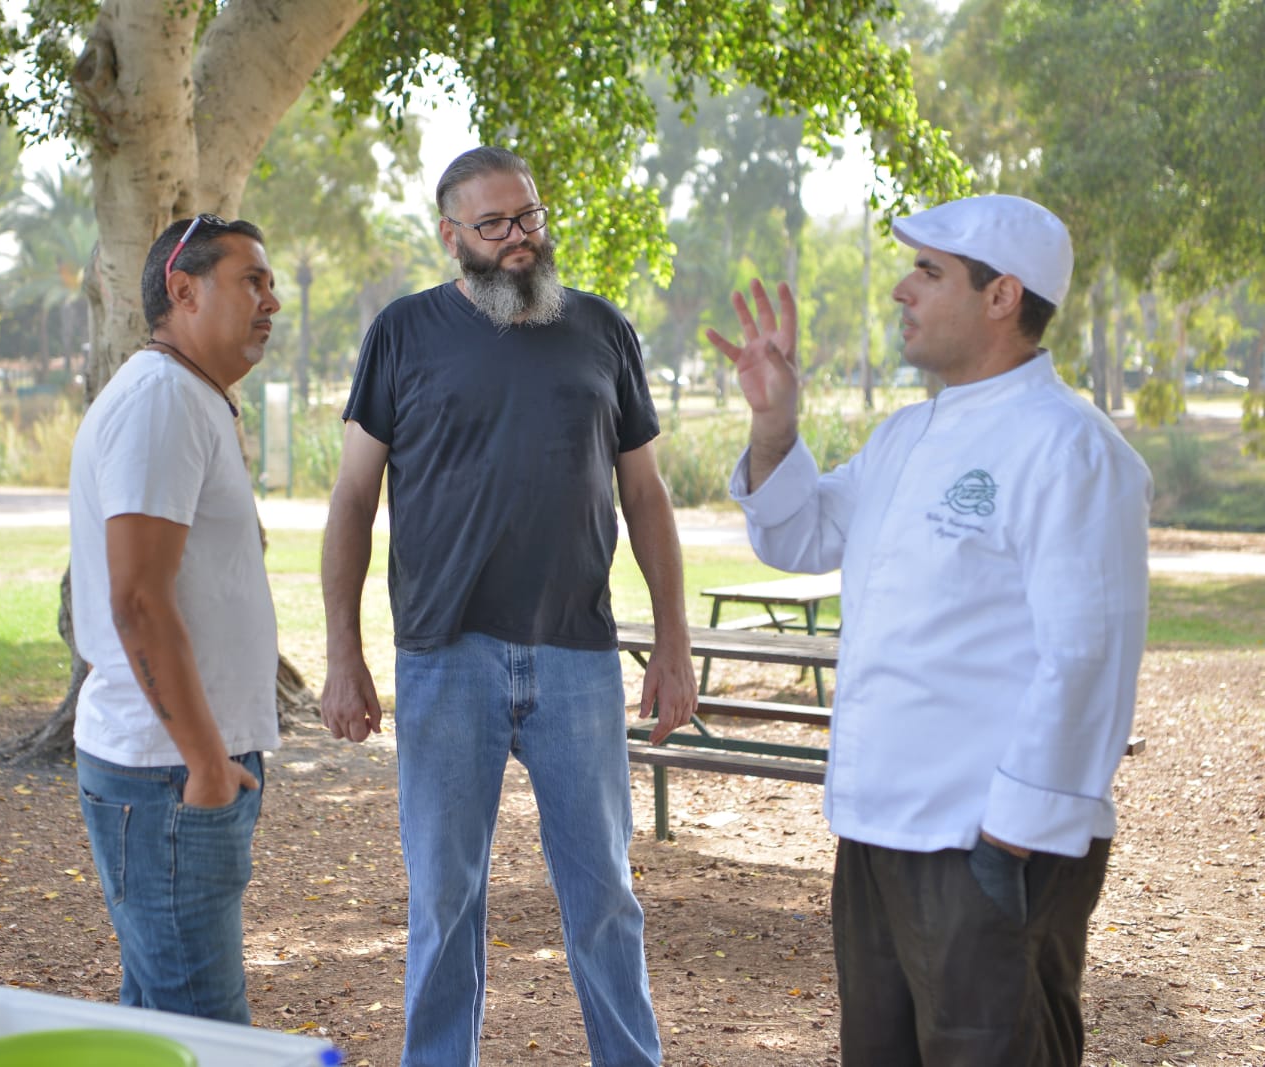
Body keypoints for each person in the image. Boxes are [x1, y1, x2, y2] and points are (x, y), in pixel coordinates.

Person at [707, 194, 1151, 1065]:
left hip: (983, 849)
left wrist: (1008, 845)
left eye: (928, 271)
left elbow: (1086, 658)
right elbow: (802, 533)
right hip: (877, 837)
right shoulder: (907, 435)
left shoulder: (1072, 450)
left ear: (1001, 297)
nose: (902, 290)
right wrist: (774, 422)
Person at [320, 146, 698, 1067]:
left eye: (527, 217)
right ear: (451, 236)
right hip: (445, 656)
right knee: (445, 899)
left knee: (605, 892)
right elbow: (351, 503)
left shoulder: (603, 331)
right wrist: (344, 653)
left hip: (578, 656)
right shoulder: (402, 334)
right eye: (493, 226)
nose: (520, 240)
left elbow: (645, 497)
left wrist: (675, 643)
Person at [67, 213, 282, 1023]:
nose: (272, 299)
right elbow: (138, 600)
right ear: (181, 290)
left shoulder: (190, 398)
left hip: (181, 773)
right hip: (169, 779)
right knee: (209, 1036)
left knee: (161, 1026)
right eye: (250, 281)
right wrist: (204, 768)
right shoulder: (160, 400)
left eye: (271, 282)